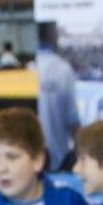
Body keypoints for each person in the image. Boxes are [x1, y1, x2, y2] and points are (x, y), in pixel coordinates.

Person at [35, 21, 78, 169]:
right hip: (57, 160)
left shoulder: (27, 70)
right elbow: (72, 119)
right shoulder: (62, 69)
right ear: (52, 32)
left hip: (28, 163)